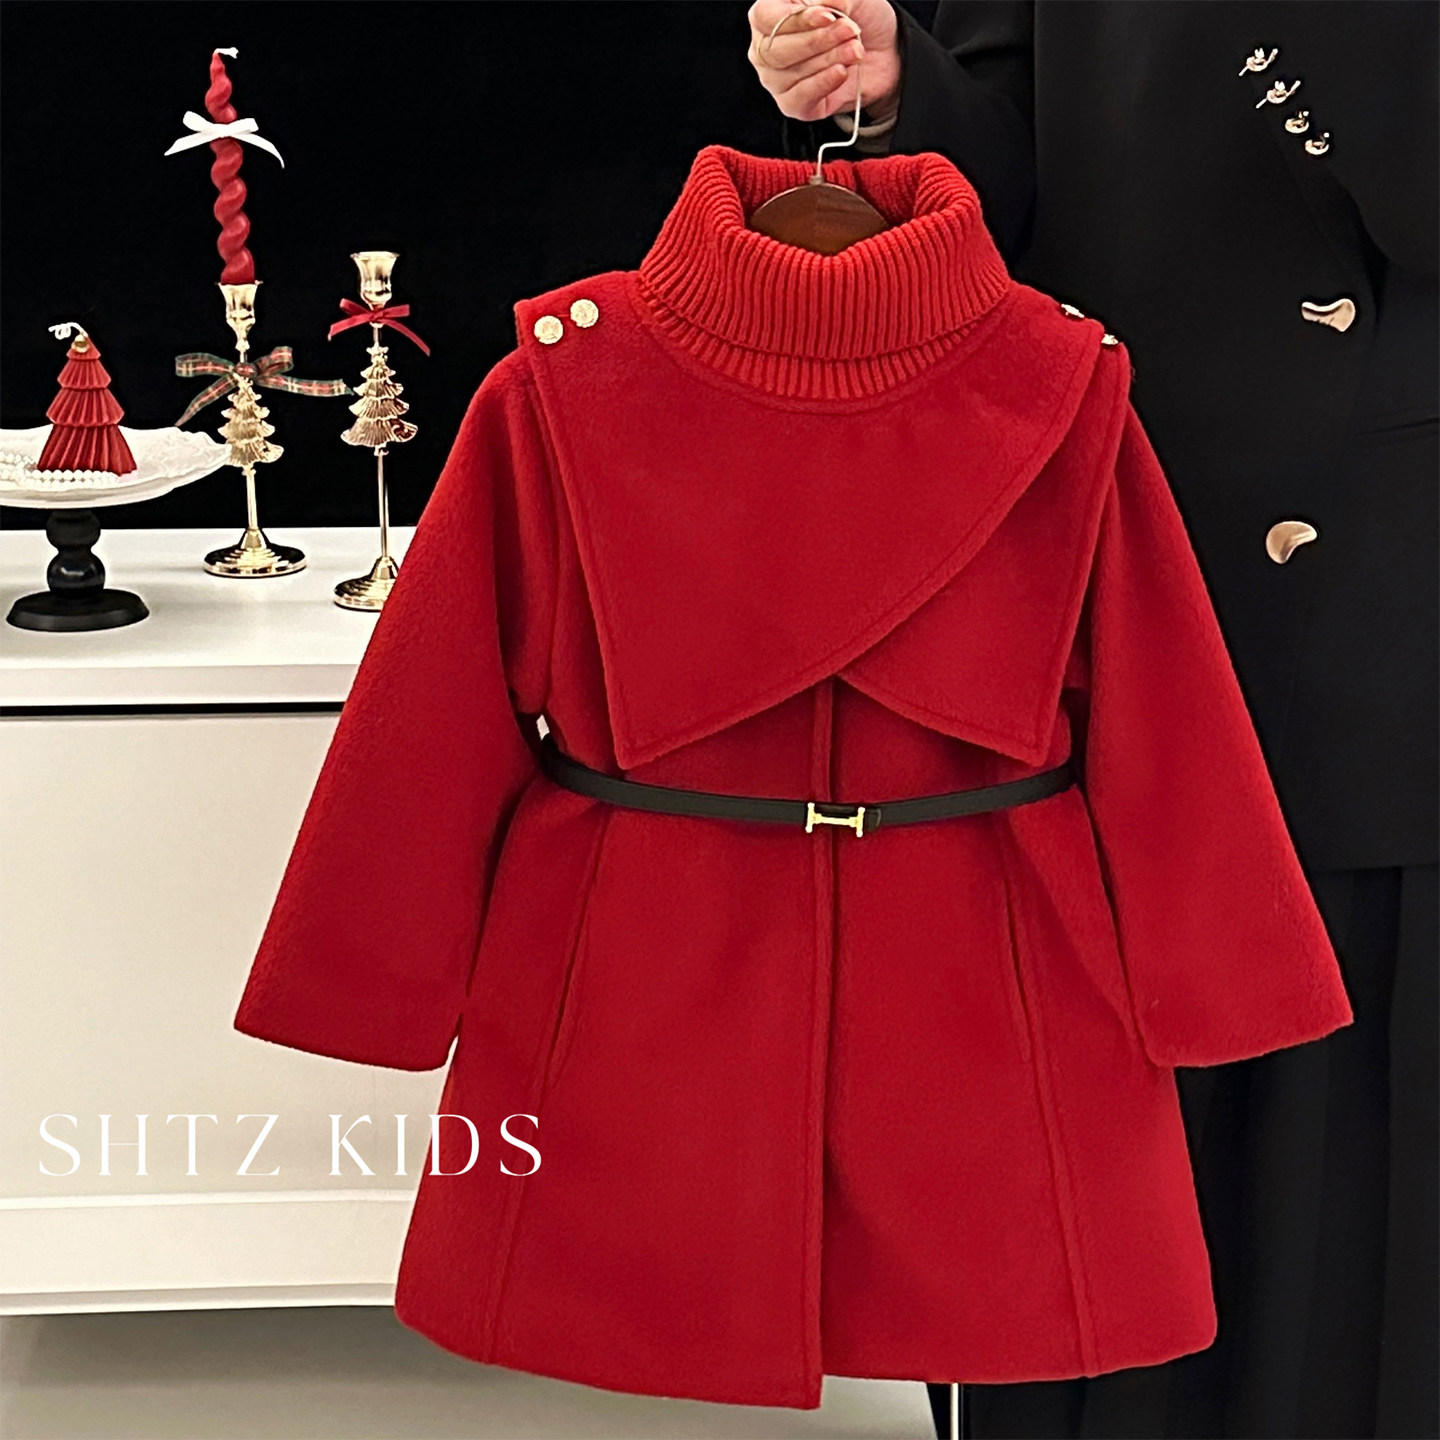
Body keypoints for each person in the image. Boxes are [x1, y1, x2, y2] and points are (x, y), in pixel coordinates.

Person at [748, 4, 1438, 1438]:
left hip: (1382, 595)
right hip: (1115, 547)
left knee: (1361, 1181)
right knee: (1096, 1199)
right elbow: (1012, 199)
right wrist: (896, 86)